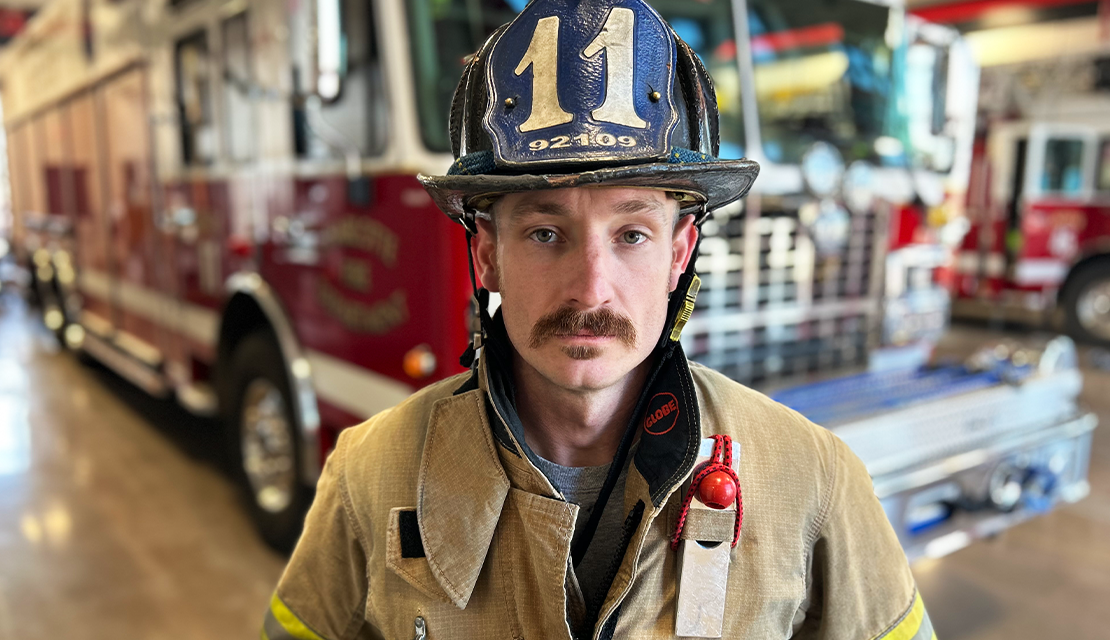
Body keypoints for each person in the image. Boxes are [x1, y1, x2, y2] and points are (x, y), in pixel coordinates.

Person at [262, 1, 934, 638]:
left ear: (679, 254)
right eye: (545, 234)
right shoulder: (367, 475)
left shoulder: (816, 481)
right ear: (487, 255)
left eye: (632, 235)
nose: (590, 290)